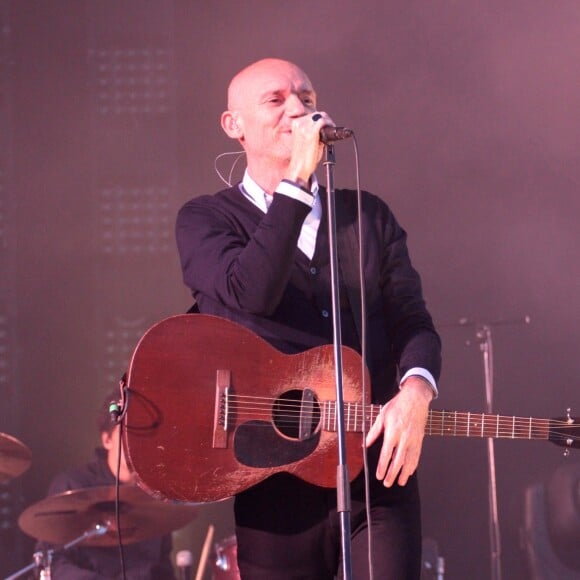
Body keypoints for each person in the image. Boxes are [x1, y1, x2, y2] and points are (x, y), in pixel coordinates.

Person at [175, 57, 442, 579]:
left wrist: (416, 390)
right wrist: (297, 178)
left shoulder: (367, 215)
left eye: (308, 99)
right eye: (276, 100)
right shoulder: (206, 219)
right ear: (235, 127)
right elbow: (248, 292)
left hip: (373, 467)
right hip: (272, 473)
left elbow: (414, 319)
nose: (298, 110)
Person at [34, 388, 176, 579]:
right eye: (131, 433)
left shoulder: (157, 497)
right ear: (107, 439)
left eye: (147, 434)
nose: (139, 444)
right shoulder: (72, 485)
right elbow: (53, 564)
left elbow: (163, 570)